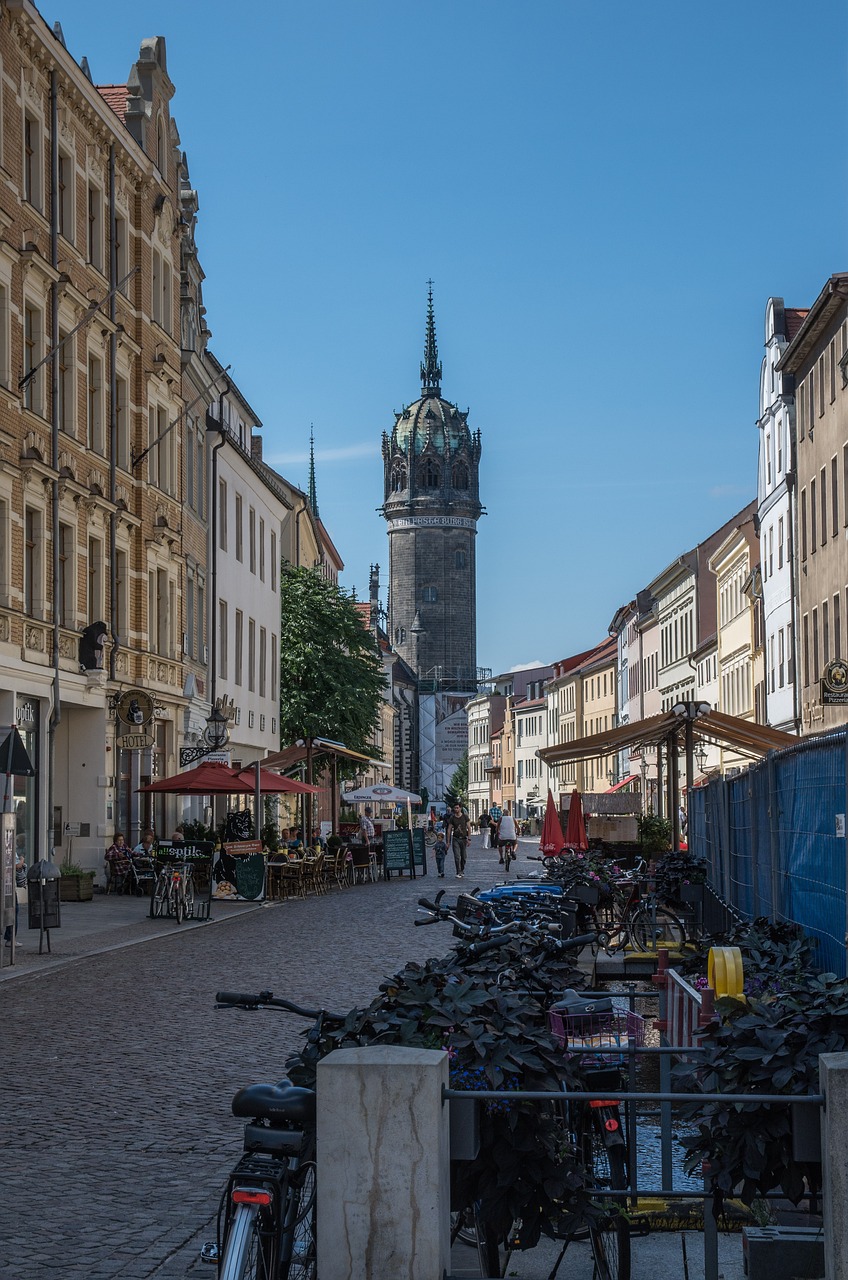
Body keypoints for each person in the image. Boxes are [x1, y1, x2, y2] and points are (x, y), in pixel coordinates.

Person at [4, 841, 26, 945]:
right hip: (8, 885)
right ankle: (10, 938)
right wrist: (22, 859)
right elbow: (17, 865)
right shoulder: (8, 846)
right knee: (13, 909)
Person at [446, 804, 470, 878]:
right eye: (455, 808)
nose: (456, 809)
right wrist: (448, 842)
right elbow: (449, 830)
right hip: (455, 838)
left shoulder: (465, 817)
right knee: (457, 856)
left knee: (464, 857)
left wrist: (469, 839)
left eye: (457, 808)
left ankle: (462, 869)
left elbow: (469, 828)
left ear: (460, 808)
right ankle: (458, 871)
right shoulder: (452, 818)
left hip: (463, 839)